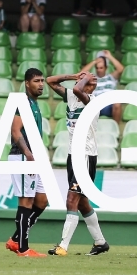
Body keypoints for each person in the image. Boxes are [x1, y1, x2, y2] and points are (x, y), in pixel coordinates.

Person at [46, 72, 110, 256]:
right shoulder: (72, 97)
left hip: (86, 156)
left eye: (95, 79)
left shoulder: (92, 100)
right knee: (82, 202)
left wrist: (82, 78)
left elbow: (76, 88)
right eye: (92, 78)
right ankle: (100, 243)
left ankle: (63, 246)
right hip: (72, 155)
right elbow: (51, 80)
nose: (95, 79)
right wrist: (74, 75)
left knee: (71, 199)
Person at [4, 68, 48, 257]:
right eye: (37, 81)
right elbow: (15, 131)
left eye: (42, 81)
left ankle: (15, 239)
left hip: (33, 157)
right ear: (27, 83)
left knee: (42, 200)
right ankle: (23, 248)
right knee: (26, 201)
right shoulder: (22, 103)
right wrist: (28, 155)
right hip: (23, 156)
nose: (41, 84)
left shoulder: (34, 104)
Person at [80, 50, 124, 123]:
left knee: (117, 104)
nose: (99, 70)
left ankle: (115, 127)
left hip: (109, 105)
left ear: (106, 68)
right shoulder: (92, 79)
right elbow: (81, 74)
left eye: (101, 68)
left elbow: (120, 69)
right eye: (97, 68)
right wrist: (94, 61)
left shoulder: (111, 77)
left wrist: (109, 57)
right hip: (96, 105)